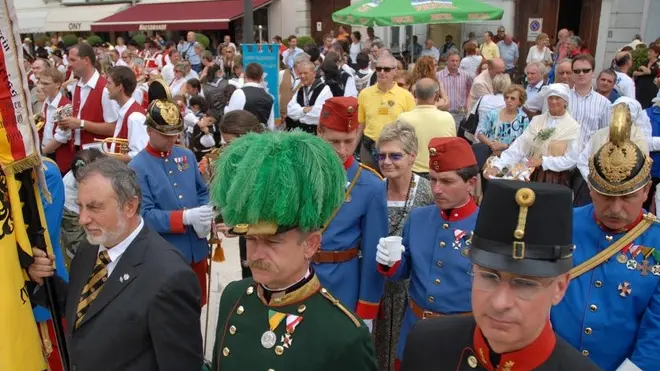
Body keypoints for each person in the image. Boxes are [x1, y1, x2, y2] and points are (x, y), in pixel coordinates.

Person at [209, 130, 378, 371]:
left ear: (310, 244)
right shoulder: (234, 296)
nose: (256, 254)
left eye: (272, 242)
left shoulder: (344, 332)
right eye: (252, 240)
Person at [401, 180, 600, 371]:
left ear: (560, 287)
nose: (499, 303)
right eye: (489, 277)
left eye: (524, 284)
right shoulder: (426, 345)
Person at [27, 157, 203, 371]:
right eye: (80, 206)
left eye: (94, 207)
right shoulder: (89, 249)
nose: (82, 219)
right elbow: (89, 310)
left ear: (130, 206)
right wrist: (43, 280)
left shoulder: (170, 277)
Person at [552, 103, 660, 371]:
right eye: (606, 197)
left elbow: (657, 330)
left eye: (627, 198)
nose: (615, 209)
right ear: (591, 188)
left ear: (646, 191)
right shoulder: (560, 222)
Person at [376, 137, 480, 369]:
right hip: (416, 332)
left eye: (446, 181)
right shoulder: (419, 217)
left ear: (471, 183)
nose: (436, 189)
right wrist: (390, 263)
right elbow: (403, 272)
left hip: (463, 338)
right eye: (432, 180)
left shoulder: (485, 225)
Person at [129, 88, 213, 307]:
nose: (171, 139)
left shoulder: (185, 155)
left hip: (197, 249)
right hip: (167, 254)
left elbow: (202, 192)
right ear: (149, 130)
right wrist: (184, 218)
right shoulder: (138, 167)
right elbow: (144, 216)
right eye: (165, 134)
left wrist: (206, 215)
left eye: (174, 134)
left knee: (198, 305)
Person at [315, 96, 388, 330]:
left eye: (349, 141)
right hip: (297, 277)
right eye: (334, 141)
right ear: (319, 132)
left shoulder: (370, 184)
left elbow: (372, 252)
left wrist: (367, 306)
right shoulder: (298, 173)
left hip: (343, 283)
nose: (342, 150)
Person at [372, 121, 434, 371]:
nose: (386, 161)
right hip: (378, 288)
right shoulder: (374, 191)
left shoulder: (428, 193)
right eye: (381, 155)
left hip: (412, 290)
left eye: (395, 155)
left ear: (411, 157)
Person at [485, 84, 579, 186]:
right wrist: (499, 166)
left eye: (557, 98)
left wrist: (544, 161)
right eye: (550, 98)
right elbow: (519, 147)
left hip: (555, 180)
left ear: (565, 101)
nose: (553, 101)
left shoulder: (572, 127)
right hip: (530, 174)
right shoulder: (537, 121)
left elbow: (572, 159)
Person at [358, 54, 416, 171]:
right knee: (369, 183)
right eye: (379, 68)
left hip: (395, 150)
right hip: (369, 147)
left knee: (392, 184)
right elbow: (360, 125)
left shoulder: (406, 96)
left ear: (394, 71)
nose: (382, 72)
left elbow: (411, 128)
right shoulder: (364, 94)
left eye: (386, 69)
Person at [57, 43, 119, 151]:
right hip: (79, 151)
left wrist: (81, 123)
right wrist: (67, 124)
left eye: (73, 60)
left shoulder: (104, 89)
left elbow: (113, 128)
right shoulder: (77, 86)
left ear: (86, 60)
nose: (69, 65)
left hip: (98, 155)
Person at [397, 78, 456, 177]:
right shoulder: (447, 118)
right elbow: (451, 148)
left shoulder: (403, 118)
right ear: (437, 95)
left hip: (411, 173)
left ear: (415, 94)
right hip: (438, 172)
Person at [105, 66, 148, 162]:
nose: (106, 86)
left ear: (120, 87)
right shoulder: (125, 110)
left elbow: (139, 155)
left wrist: (107, 158)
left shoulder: (135, 117)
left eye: (109, 83)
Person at [476, 84, 530, 155]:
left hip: (512, 157)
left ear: (520, 101)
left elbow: (524, 142)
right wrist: (492, 144)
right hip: (491, 154)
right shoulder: (493, 114)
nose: (508, 100)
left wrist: (504, 146)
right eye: (506, 97)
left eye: (512, 98)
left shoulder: (523, 118)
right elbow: (480, 134)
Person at [39, 67, 75, 174]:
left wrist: (41, 153)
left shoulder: (65, 106)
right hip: (46, 152)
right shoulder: (46, 102)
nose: (42, 87)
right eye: (41, 83)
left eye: (46, 84)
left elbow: (60, 138)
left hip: (58, 157)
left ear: (57, 84)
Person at [285, 59, 332, 134]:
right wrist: (304, 110)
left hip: (316, 135)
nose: (302, 76)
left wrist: (299, 116)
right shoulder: (300, 90)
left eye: (305, 73)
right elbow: (290, 111)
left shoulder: (325, 89)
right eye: (300, 73)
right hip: (299, 134)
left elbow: (319, 114)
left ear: (313, 73)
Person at [224, 62, 275, 130]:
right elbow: (270, 126)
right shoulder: (269, 97)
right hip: (262, 138)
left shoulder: (239, 93)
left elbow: (230, 119)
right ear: (261, 78)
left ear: (245, 75)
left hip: (242, 137)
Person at [437, 52, 472, 126]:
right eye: (452, 61)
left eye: (457, 61)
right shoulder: (438, 76)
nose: (455, 63)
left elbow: (472, 90)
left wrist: (468, 103)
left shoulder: (465, 75)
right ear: (447, 61)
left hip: (460, 113)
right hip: (444, 113)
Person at [634, 43, 660, 108]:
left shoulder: (658, 63)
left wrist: (642, 68)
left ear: (656, 54)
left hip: (651, 91)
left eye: (651, 52)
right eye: (649, 51)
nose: (649, 53)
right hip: (640, 90)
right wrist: (644, 72)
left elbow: (650, 72)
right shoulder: (645, 62)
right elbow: (635, 73)